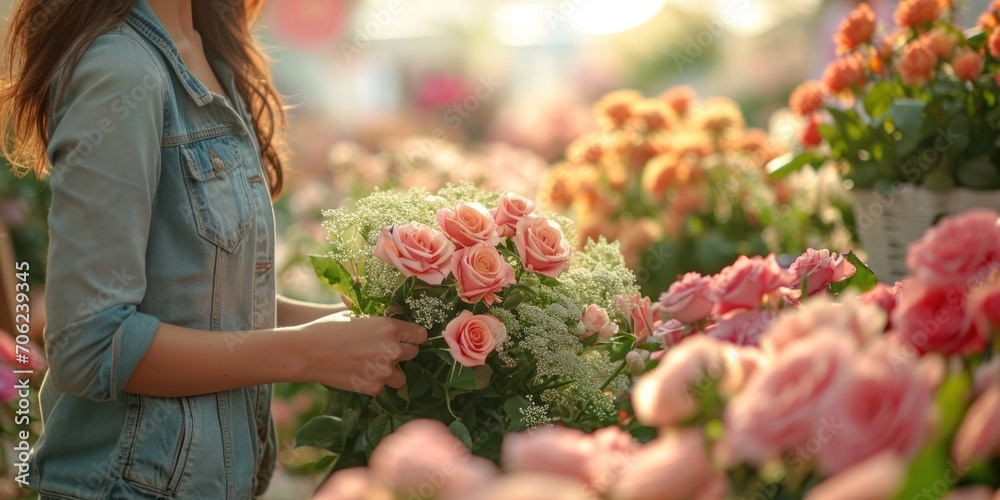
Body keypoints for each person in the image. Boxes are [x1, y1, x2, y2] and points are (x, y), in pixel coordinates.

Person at [0, 1, 427, 498]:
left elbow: (209, 303)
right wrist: (306, 353)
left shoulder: (209, 50)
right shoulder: (120, 68)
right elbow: (89, 345)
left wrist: (345, 323)